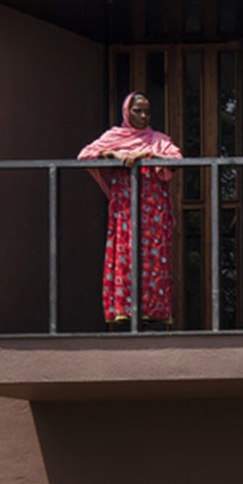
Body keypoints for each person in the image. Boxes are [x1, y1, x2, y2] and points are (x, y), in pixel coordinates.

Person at [78, 93, 182, 328]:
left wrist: (150, 156)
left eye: (147, 111)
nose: (144, 116)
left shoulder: (157, 139)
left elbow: (176, 158)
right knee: (125, 256)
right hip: (126, 212)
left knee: (154, 259)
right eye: (138, 111)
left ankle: (154, 315)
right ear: (127, 112)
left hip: (154, 214)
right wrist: (113, 155)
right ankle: (125, 314)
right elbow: (84, 155)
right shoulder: (115, 137)